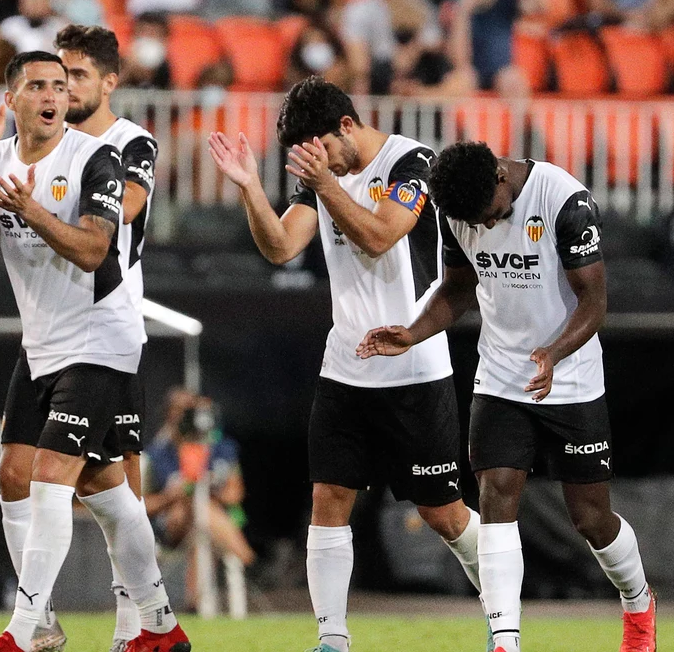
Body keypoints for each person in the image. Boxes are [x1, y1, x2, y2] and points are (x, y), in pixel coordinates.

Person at [207, 79, 482, 652]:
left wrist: (326, 182)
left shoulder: (412, 162)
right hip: (345, 367)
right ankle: (332, 638)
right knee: (328, 501)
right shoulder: (321, 177)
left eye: (323, 149)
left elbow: (382, 235)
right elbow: (282, 246)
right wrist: (252, 188)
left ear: (347, 127)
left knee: (445, 516)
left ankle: (503, 611)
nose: (318, 163)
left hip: (413, 367)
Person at [358, 139, 656, 652]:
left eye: (492, 216)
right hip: (500, 378)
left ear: (501, 175)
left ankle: (638, 602)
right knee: (495, 494)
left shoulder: (565, 201)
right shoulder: (460, 210)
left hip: (572, 377)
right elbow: (456, 289)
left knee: (590, 517)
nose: (488, 227)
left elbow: (594, 298)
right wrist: (412, 331)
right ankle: (504, 641)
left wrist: (555, 352)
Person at [0, 53, 191, 652]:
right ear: (13, 101)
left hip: (98, 337)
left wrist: (27, 209)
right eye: (38, 86)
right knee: (102, 493)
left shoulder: (93, 158)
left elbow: (93, 250)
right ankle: (161, 624)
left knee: (49, 478)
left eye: (60, 85)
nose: (53, 95)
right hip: (42, 346)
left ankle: (28, 629)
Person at [49, 23, 164, 648]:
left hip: (110, 322)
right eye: (59, 77)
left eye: (79, 77)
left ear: (109, 82)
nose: (66, 88)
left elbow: (124, 209)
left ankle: (133, 619)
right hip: (52, 326)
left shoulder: (132, 142)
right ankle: (143, 618)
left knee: (121, 471)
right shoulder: (44, 144)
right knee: (93, 481)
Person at [142, 390, 255, 600]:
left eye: (189, 410)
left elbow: (234, 494)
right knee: (192, 507)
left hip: (205, 523)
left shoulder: (221, 448)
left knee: (201, 512)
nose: (183, 416)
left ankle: (193, 603)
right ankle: (246, 558)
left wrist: (207, 486)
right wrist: (170, 496)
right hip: (172, 526)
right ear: (168, 414)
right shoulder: (156, 454)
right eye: (178, 410)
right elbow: (140, 505)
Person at [339, 0, 452, 96]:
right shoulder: (358, 9)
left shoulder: (423, 8)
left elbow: (434, 42)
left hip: (417, 77)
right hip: (379, 75)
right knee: (360, 79)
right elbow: (358, 61)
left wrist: (413, 50)